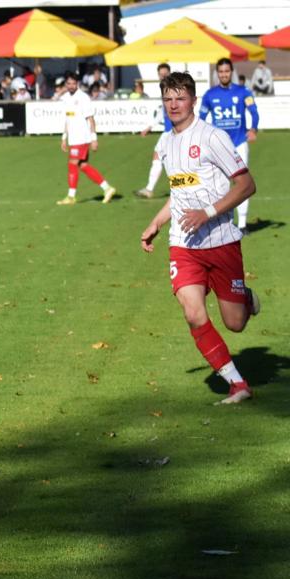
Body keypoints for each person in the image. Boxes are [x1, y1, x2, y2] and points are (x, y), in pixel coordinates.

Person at [140, 71, 261, 405]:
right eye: (168, 98)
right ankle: (238, 385)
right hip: (184, 243)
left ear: (193, 100)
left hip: (221, 239)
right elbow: (178, 195)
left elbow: (246, 185)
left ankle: (245, 299)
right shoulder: (165, 142)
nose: (174, 104)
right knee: (193, 312)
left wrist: (207, 213)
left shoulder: (212, 137)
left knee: (235, 323)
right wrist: (156, 222)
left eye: (180, 97)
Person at [199, 58, 260, 232]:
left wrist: (254, 128)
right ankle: (224, 223)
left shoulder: (243, 92)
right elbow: (201, 119)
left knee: (243, 184)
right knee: (220, 185)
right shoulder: (210, 95)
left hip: (240, 143)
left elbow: (254, 112)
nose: (224, 74)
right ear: (217, 73)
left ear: (231, 72)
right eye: (221, 71)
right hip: (219, 146)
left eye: (227, 71)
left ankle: (242, 224)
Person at [57, 71, 117, 205]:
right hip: (73, 138)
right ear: (66, 84)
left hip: (82, 138)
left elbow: (91, 119)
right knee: (83, 166)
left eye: (74, 83)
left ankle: (71, 196)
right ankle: (107, 188)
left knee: (72, 164)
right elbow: (67, 118)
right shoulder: (65, 98)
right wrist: (64, 137)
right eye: (69, 83)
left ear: (77, 83)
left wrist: (94, 138)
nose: (71, 86)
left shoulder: (83, 98)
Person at [136, 63, 173, 199]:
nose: (163, 76)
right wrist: (149, 127)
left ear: (170, 74)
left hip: (173, 132)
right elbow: (162, 113)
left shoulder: (173, 90)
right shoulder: (165, 90)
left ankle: (150, 189)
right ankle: (149, 188)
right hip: (169, 131)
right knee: (161, 157)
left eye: (165, 74)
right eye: (161, 74)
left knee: (165, 159)